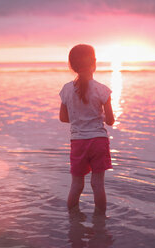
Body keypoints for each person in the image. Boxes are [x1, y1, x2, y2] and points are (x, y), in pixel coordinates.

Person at [59, 44, 115, 214]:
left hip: (78, 143)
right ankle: (100, 223)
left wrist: (79, 118)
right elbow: (111, 121)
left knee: (76, 185)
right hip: (98, 142)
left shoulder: (67, 89)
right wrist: (100, 117)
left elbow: (63, 118)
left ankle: (72, 221)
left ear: (72, 66)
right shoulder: (102, 90)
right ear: (94, 62)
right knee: (98, 185)